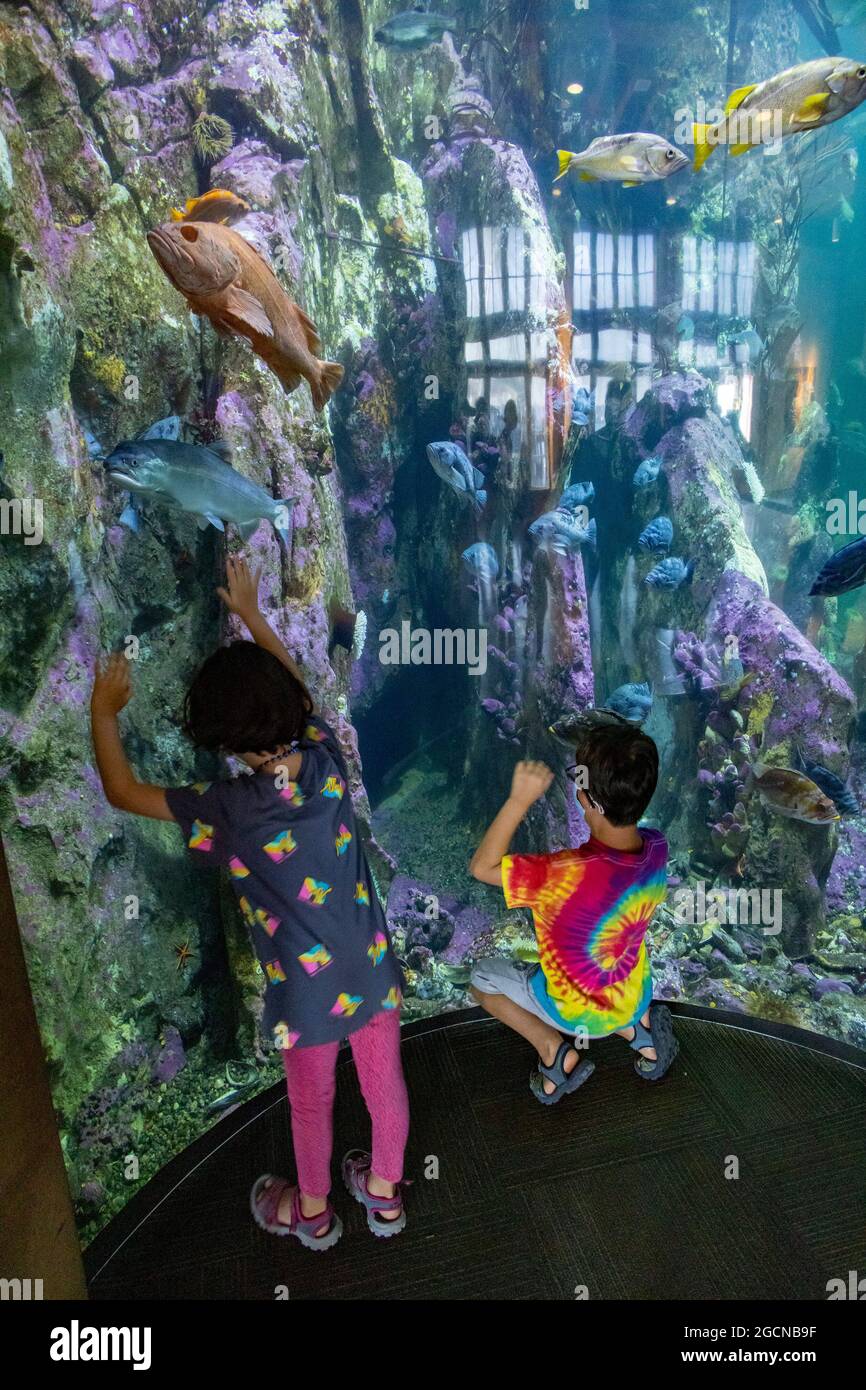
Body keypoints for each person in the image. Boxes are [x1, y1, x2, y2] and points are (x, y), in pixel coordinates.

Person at [89, 557, 409, 1249]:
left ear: (227, 746)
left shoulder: (227, 810)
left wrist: (102, 712)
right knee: (385, 1085)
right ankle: (384, 1198)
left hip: (304, 994)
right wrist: (254, 614)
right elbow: (298, 694)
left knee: (311, 1101)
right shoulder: (327, 760)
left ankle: (314, 1212)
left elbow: (122, 791)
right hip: (373, 966)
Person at [468, 720, 677, 1104]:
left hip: (575, 1013)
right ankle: (639, 1032)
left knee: (481, 980)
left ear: (591, 802)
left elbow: (481, 868)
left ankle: (554, 1052)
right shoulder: (656, 848)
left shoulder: (560, 875)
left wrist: (519, 800)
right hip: (634, 992)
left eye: (577, 777)